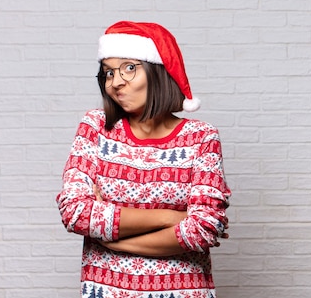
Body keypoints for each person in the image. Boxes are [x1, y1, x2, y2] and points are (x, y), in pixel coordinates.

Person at [56, 21, 231, 298]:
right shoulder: (96, 127)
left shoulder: (201, 137)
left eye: (128, 68)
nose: (115, 82)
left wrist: (113, 243)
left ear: (157, 71)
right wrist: (169, 218)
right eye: (108, 72)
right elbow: (76, 213)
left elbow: (203, 229)